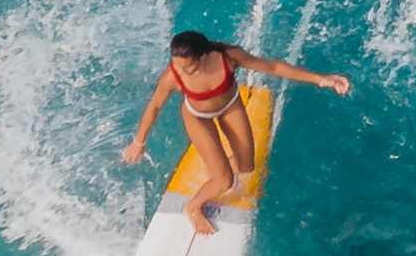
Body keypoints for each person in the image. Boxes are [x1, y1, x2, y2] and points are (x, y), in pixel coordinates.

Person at [124, 30, 351, 234]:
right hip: (197, 118)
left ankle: (220, 167)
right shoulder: (173, 75)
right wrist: (139, 143)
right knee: (225, 182)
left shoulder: (228, 56)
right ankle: (192, 206)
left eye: (188, 66)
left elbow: (272, 67)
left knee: (247, 166)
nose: (181, 71)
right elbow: (154, 106)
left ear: (203, 55)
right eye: (176, 65)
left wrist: (321, 79)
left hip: (230, 105)